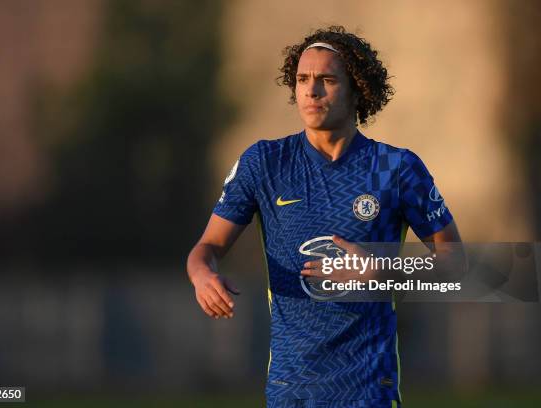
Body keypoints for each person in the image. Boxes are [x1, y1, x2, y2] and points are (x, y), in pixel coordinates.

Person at [187, 26, 462, 408]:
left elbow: (456, 266)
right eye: (302, 79)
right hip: (291, 388)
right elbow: (207, 247)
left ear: (357, 89)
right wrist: (202, 275)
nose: (311, 92)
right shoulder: (266, 163)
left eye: (327, 80)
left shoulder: (395, 168)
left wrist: (382, 273)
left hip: (369, 388)